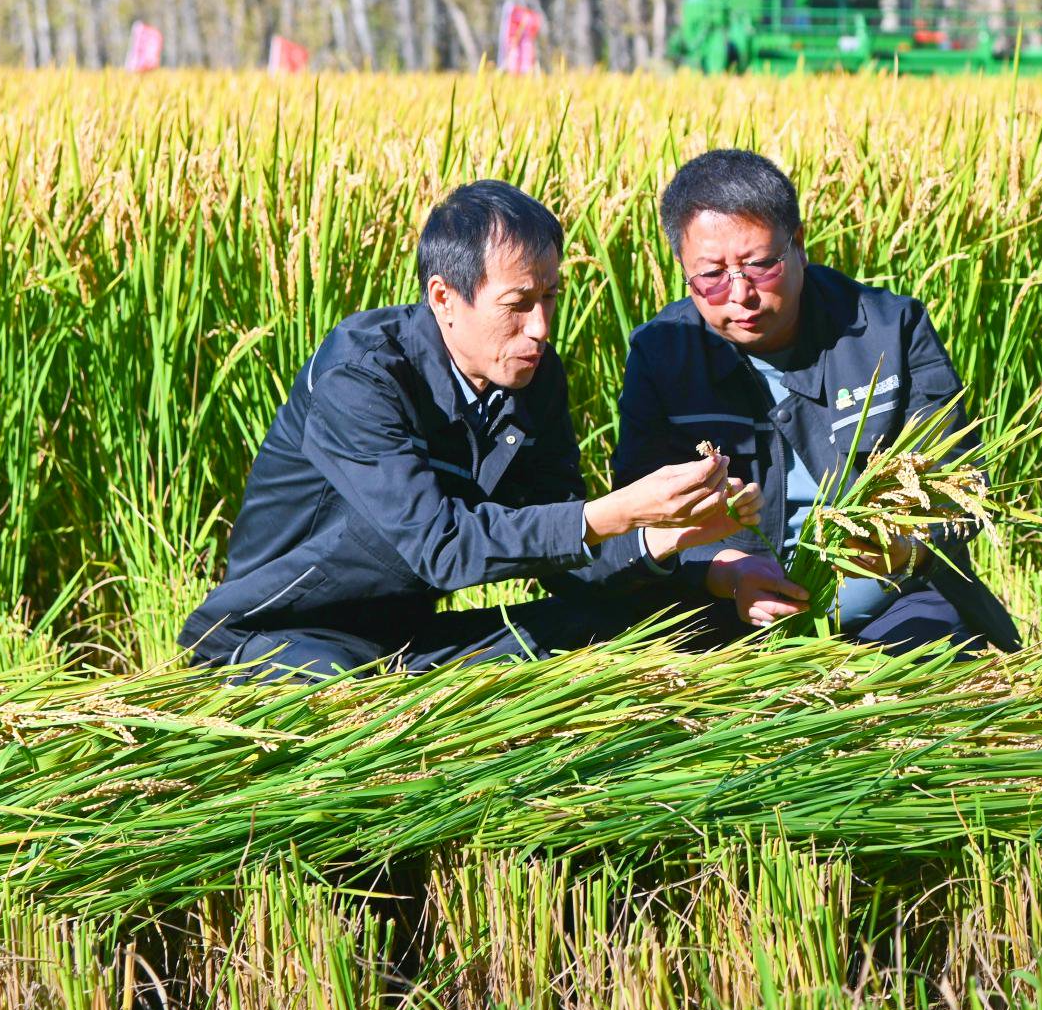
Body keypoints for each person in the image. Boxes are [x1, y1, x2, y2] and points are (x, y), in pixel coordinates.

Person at [179, 181, 760, 679]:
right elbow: (443, 547)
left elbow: (562, 551)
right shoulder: (361, 377)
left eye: (551, 298)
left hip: (405, 641)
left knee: (626, 633)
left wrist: (668, 537)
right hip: (278, 636)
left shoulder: (533, 376)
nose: (540, 327)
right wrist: (618, 511)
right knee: (360, 713)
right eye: (519, 303)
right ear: (444, 298)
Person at [612, 150, 1021, 653]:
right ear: (682, 269)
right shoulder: (660, 354)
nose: (740, 295)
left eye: (760, 265)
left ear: (798, 246)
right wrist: (723, 574)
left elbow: (963, 487)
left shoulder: (892, 330)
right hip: (725, 617)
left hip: (896, 601)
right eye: (711, 276)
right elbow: (637, 523)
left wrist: (904, 546)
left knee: (947, 674)